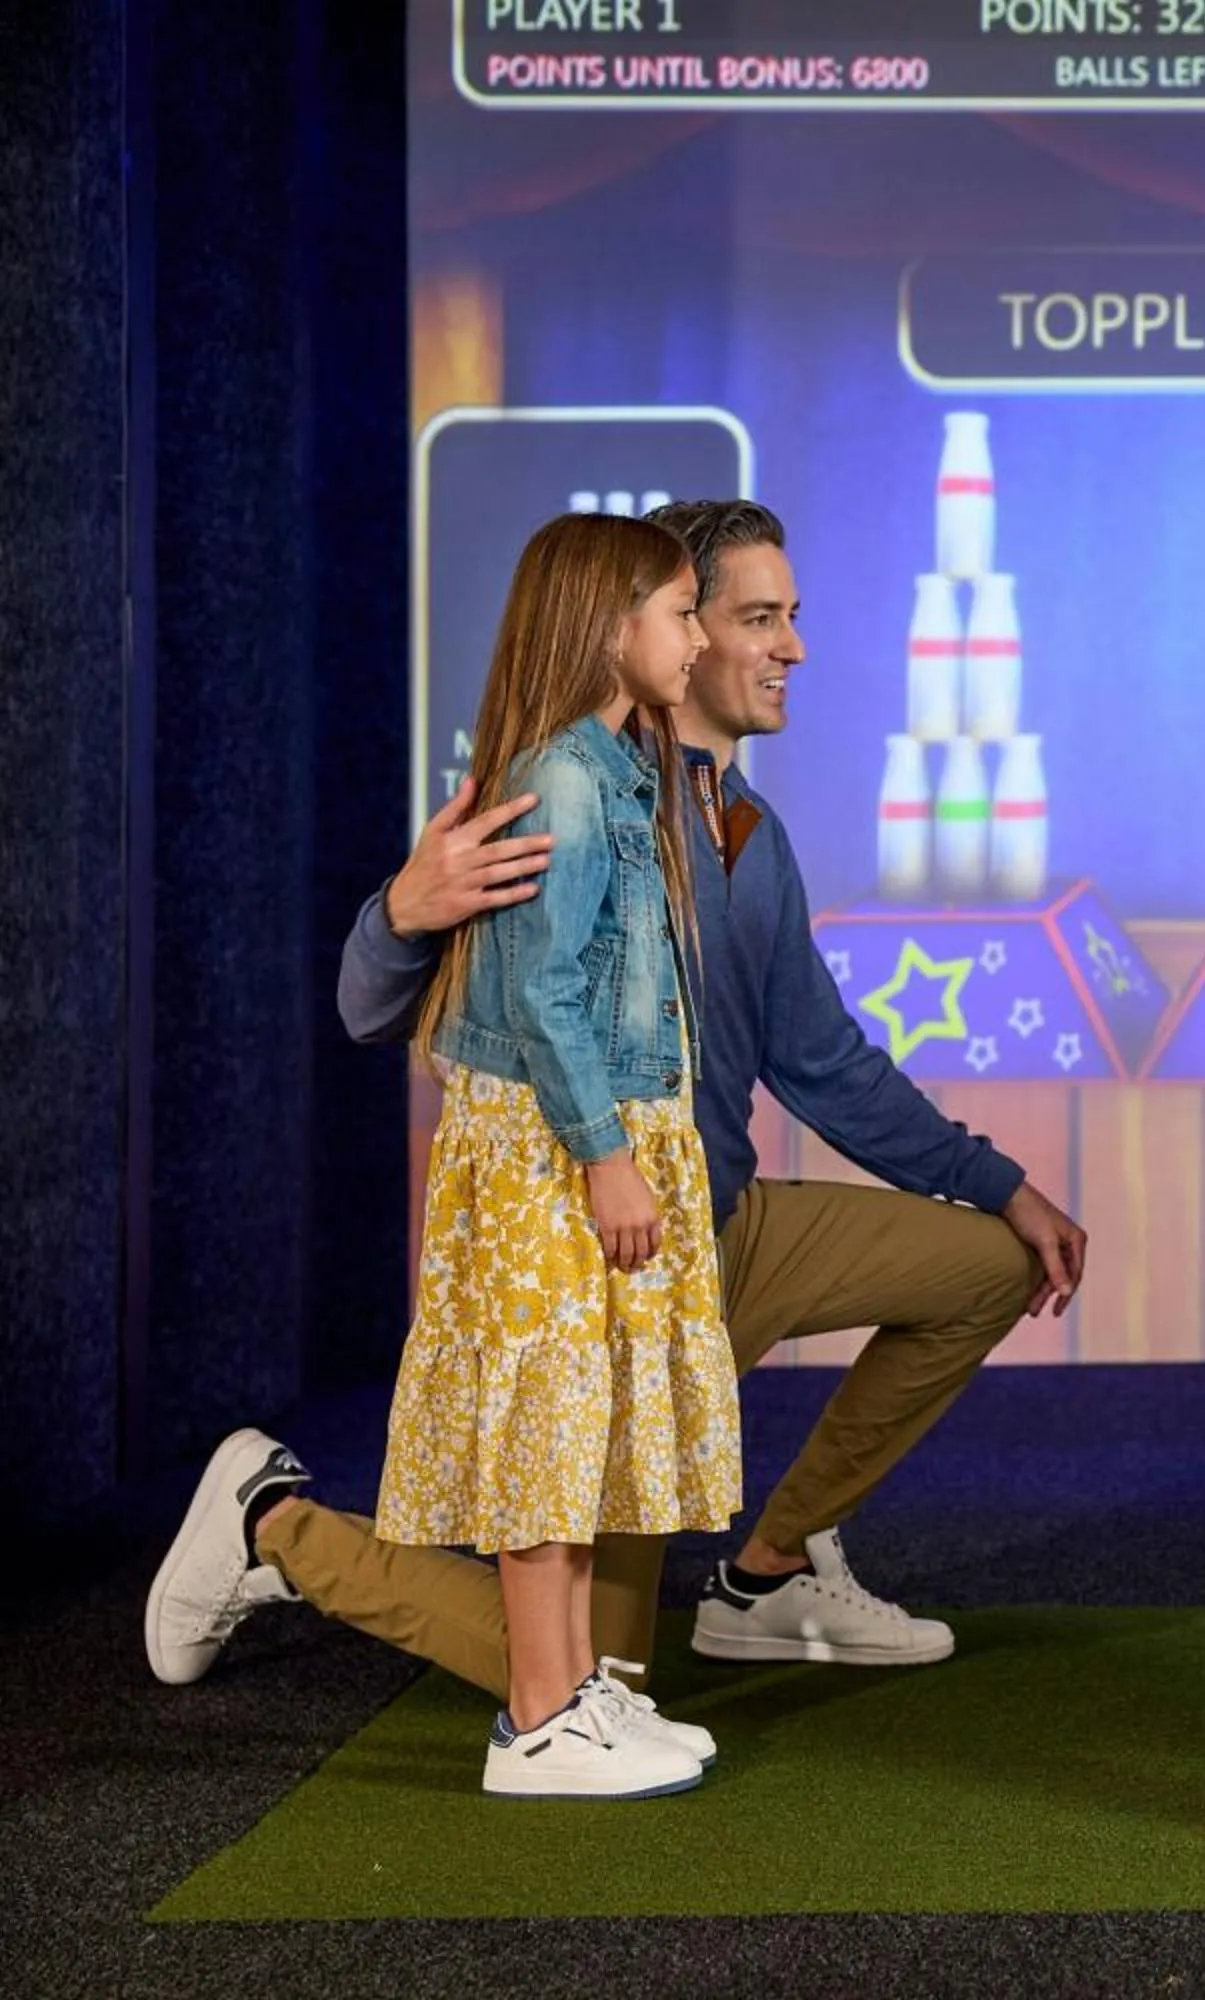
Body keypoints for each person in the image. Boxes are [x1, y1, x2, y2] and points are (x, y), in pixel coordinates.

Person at [145, 499, 1090, 1709]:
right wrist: (403, 910)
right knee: (598, 1680)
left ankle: (769, 1571)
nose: (786, 645)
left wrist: (1003, 1185)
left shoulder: (752, 830)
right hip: (610, 1267)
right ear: (658, 633)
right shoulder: (570, 796)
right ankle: (271, 1524)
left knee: (984, 1265)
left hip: (724, 1231)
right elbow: (371, 1007)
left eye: (787, 617)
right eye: (751, 616)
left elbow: (825, 1063)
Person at [381, 511, 734, 1796]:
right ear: (611, 624)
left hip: (589, 1127)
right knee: (545, 1417)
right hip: (549, 1146)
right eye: (682, 612)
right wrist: (605, 1151)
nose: (696, 637)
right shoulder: (571, 778)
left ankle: (576, 1684)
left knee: (580, 1422)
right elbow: (543, 997)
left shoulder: (612, 766)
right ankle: (537, 1716)